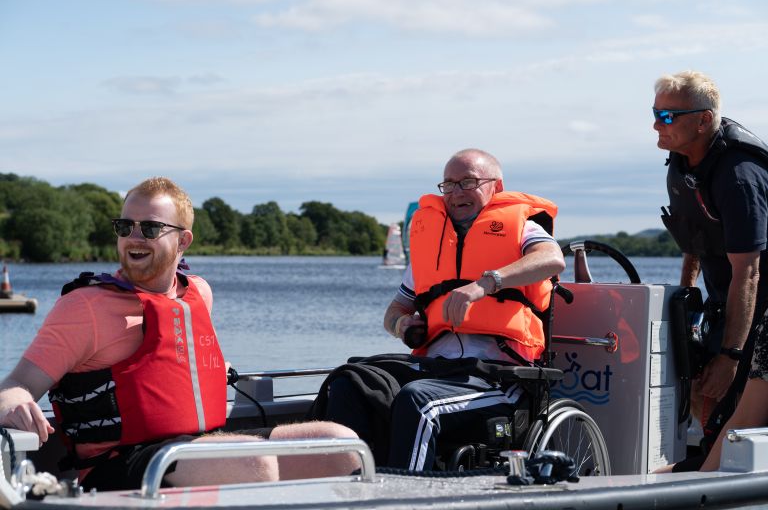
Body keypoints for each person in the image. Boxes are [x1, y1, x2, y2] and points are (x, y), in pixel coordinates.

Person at [0, 177, 359, 491]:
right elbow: (15, 386)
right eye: (125, 227)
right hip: (118, 465)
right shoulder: (85, 308)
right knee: (253, 462)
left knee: (338, 445)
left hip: (198, 446)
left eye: (150, 228)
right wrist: (15, 402)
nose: (133, 237)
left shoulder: (198, 293)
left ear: (183, 241)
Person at [318, 148, 565, 470]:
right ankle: (346, 488)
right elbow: (395, 310)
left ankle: (404, 500)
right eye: (448, 185)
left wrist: (484, 284)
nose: (455, 193)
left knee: (419, 400)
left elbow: (551, 260)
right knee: (349, 382)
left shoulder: (523, 229)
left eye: (467, 182)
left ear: (496, 187)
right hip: (436, 368)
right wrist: (401, 326)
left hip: (499, 377)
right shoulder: (430, 244)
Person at [654, 70, 768, 470]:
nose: (656, 124)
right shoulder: (684, 165)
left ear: (703, 120)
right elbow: (695, 243)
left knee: (732, 423)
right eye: (655, 113)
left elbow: (749, 274)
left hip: (761, 313)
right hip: (727, 304)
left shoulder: (740, 176)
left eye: (668, 116)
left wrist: (731, 356)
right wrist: (685, 313)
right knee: (707, 408)